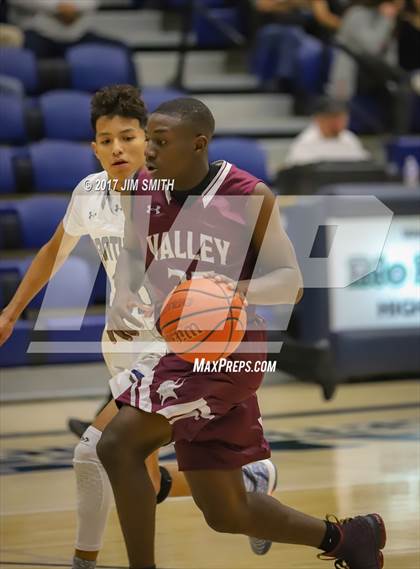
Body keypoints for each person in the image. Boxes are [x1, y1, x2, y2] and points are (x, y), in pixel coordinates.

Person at [97, 97, 386, 569]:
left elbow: (291, 282)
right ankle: (348, 538)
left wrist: (230, 289)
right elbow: (133, 254)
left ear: (199, 144)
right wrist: (129, 292)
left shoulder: (248, 195)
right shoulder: (140, 190)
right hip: (182, 349)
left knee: (118, 444)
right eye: (148, 139)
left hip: (231, 353)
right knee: (225, 510)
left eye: (161, 142)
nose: (148, 150)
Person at [0, 85, 277, 569]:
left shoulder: (174, 190)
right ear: (93, 148)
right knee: (144, 482)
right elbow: (52, 252)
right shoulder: (90, 193)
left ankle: (84, 561)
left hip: (173, 350)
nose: (116, 149)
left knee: (92, 454)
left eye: (127, 137)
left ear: (147, 139)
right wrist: (10, 310)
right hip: (123, 350)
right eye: (105, 141)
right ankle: (252, 483)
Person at [284, 96, 370, 167]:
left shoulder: (350, 139)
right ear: (318, 119)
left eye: (342, 117)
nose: (338, 122)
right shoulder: (305, 142)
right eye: (333, 117)